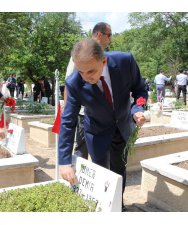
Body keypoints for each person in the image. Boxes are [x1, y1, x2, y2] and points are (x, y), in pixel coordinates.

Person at [59, 39, 148, 211]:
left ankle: (117, 207)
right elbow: (68, 121)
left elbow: (140, 89)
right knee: (101, 173)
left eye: (91, 71)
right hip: (97, 131)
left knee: (119, 169)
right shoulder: (74, 82)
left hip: (122, 126)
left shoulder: (125, 62)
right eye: (81, 72)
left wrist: (137, 108)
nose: (86, 77)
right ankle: (102, 209)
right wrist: (64, 162)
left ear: (104, 61)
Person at [65, 22, 112, 160]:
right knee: (82, 148)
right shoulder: (82, 52)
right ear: (99, 34)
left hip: (103, 113)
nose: (110, 39)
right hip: (84, 113)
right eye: (109, 35)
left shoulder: (102, 55)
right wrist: (69, 112)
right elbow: (69, 84)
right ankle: (78, 179)